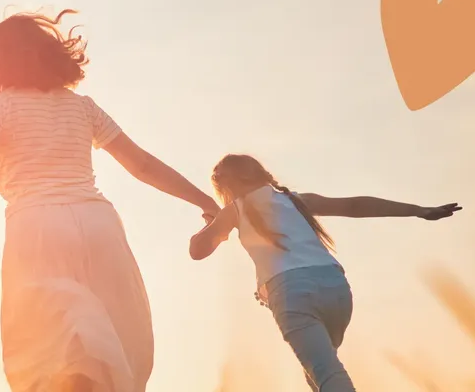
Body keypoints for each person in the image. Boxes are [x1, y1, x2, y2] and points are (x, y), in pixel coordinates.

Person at [0, 9, 219, 392]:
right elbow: (141, 165)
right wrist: (204, 200)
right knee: (114, 348)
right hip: (100, 225)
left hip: (37, 227)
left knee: (48, 353)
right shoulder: (83, 107)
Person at [189, 154, 461, 392]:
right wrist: (419, 211)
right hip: (336, 288)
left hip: (292, 294)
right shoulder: (295, 200)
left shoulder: (233, 211)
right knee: (318, 376)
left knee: (328, 376)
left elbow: (196, 250)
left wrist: (213, 226)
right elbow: (355, 206)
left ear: (225, 186)